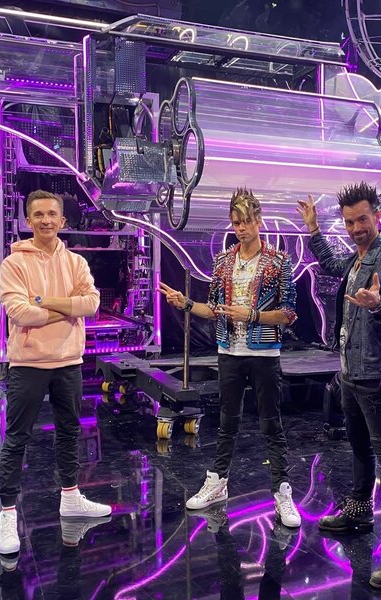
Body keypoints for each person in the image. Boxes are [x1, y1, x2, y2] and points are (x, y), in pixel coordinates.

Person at [297, 184, 381, 589]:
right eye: (349, 222)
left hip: (375, 375)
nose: (355, 229)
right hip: (350, 372)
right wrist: (314, 230)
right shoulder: (358, 257)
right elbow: (333, 264)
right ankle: (360, 511)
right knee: (360, 447)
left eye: (362, 219)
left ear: (377, 216)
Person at [159, 188, 301, 528]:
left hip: (264, 353)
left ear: (259, 220)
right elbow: (215, 310)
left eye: (246, 221)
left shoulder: (278, 261)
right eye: (236, 223)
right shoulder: (223, 261)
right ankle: (218, 481)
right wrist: (186, 303)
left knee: (271, 424)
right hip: (229, 352)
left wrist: (251, 315)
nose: (241, 228)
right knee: (226, 423)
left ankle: (282, 491)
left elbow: (289, 314)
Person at [0, 190, 111, 555]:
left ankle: (71, 497)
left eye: (52, 214)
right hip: (28, 363)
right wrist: (68, 309)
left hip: (69, 361)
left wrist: (45, 302)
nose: (46, 220)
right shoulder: (14, 264)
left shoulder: (75, 262)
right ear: (28, 220)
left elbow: (91, 304)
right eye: (38, 214)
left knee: (69, 432)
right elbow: (20, 312)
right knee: (17, 438)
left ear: (62, 220)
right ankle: (7, 514)